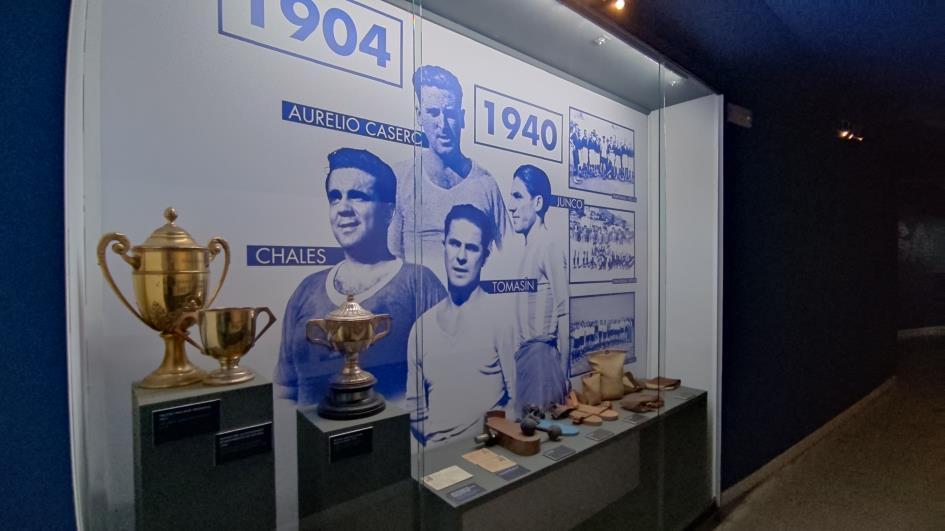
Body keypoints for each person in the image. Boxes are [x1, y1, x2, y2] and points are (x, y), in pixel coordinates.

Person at [275, 148, 446, 406]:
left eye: (358, 196)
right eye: (335, 197)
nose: (343, 208)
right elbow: (285, 390)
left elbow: (447, 381)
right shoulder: (306, 290)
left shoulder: (419, 283)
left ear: (389, 211)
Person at [403, 204, 516, 447]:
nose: (461, 257)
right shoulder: (421, 329)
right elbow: (415, 410)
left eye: (472, 248)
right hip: (438, 457)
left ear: (485, 256)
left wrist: (489, 440)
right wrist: (440, 444)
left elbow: (517, 400)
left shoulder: (501, 319)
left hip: (490, 451)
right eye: (455, 244)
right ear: (443, 245)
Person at [388, 65, 509, 284]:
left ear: (462, 118)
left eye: (450, 114)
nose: (442, 125)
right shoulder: (400, 178)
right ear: (419, 116)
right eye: (433, 113)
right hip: (417, 305)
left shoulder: (486, 184)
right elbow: (390, 262)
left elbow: (509, 259)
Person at [507, 164, 570, 414]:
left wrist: (563, 375)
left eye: (518, 196)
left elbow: (564, 313)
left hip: (543, 364)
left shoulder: (548, 246)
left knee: (542, 430)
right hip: (526, 362)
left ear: (538, 202)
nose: (511, 206)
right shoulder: (528, 250)